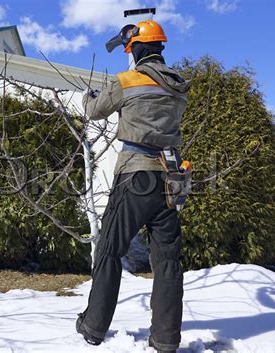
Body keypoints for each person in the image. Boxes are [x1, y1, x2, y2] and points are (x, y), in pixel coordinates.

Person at [76, 20, 191, 353]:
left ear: (136, 50)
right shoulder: (177, 86)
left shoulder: (127, 81)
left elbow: (94, 112)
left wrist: (90, 94)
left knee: (109, 250)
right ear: (160, 48)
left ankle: (94, 326)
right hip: (170, 179)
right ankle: (166, 338)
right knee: (168, 261)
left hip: (135, 177)